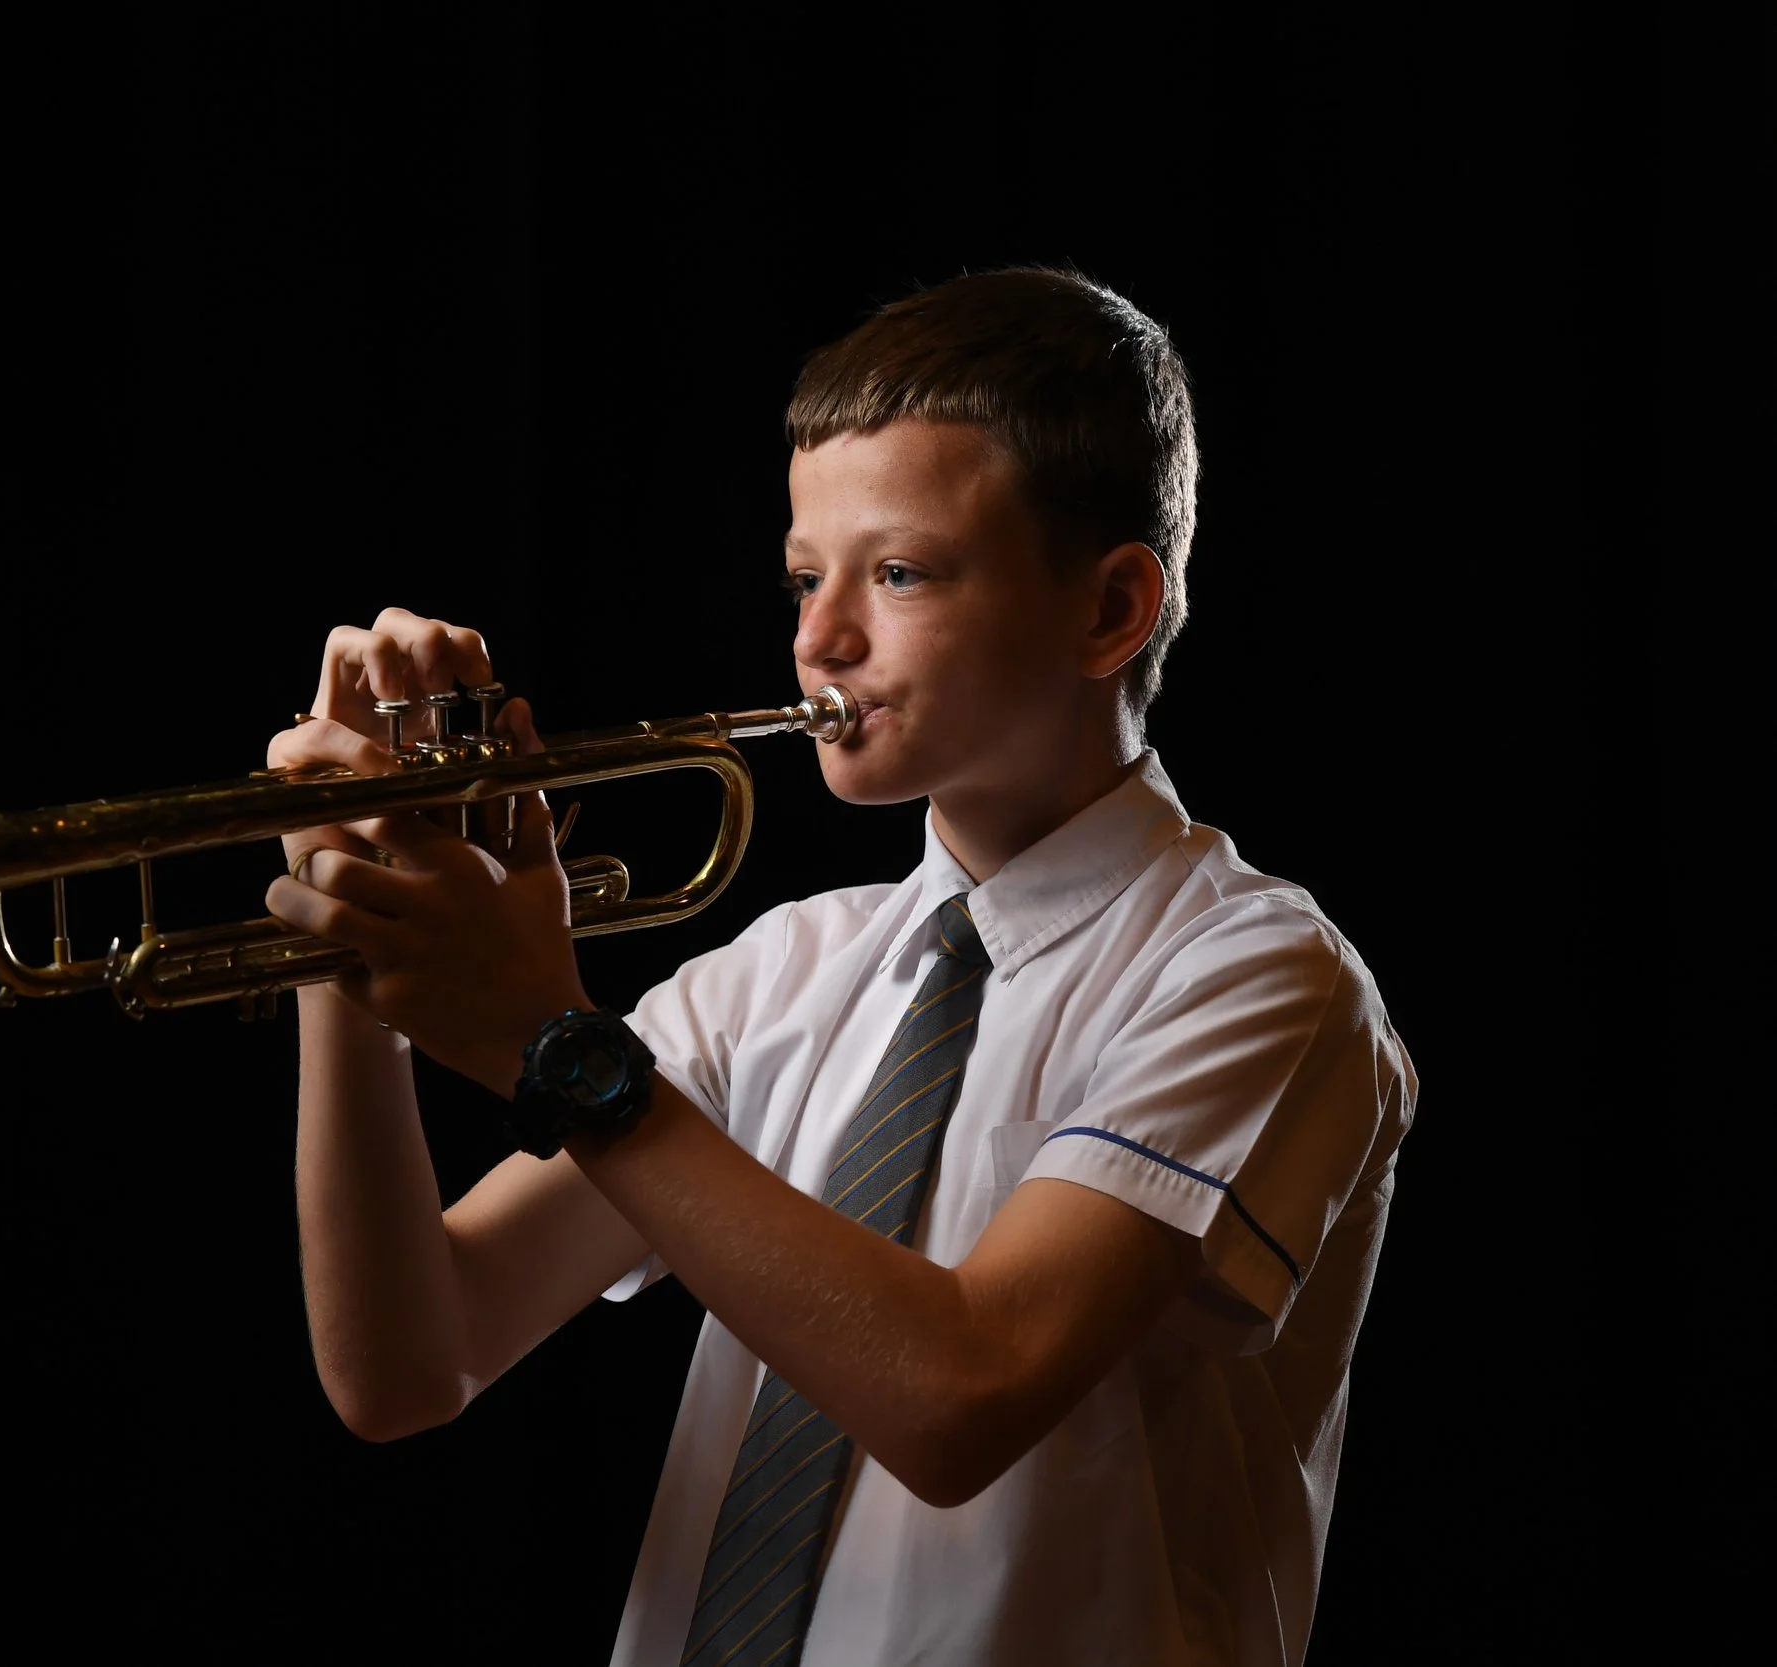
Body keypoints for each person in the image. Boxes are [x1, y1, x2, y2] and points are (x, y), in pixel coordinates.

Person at [261, 265, 1415, 1667]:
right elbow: (407, 1360)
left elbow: (958, 1392)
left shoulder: (1256, 973)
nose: (821, 635)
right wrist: (350, 936)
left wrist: (552, 1037)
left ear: (1112, 609)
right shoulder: (782, 970)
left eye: (901, 570)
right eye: (808, 574)